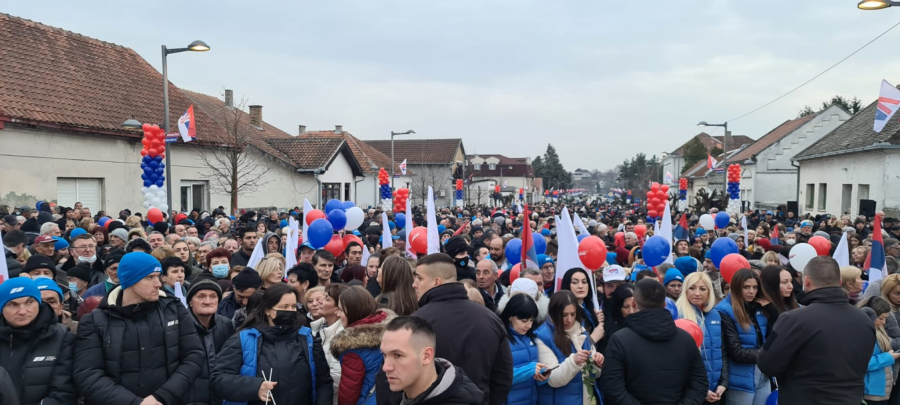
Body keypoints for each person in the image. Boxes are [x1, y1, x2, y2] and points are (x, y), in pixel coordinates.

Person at [74, 251, 204, 405]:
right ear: (130, 280)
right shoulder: (95, 320)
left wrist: (162, 396)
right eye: (149, 278)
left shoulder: (174, 309)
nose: (158, 283)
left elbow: (194, 356)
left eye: (158, 276)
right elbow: (88, 374)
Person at [758, 256, 875, 405]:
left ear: (806, 282)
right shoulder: (864, 320)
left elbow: (767, 363)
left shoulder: (793, 320)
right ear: (839, 283)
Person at [412, 253, 513, 405]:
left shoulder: (416, 323)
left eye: (419, 278)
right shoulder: (490, 319)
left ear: (436, 282)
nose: (414, 284)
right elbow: (503, 376)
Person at [211, 284, 333, 405]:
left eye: (293, 306)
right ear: (267, 310)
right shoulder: (244, 339)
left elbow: (323, 382)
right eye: (284, 307)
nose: (290, 311)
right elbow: (219, 379)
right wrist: (255, 387)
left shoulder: (308, 339)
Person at [601, 278, 708, 404]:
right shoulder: (686, 339)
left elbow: (612, 388)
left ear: (634, 303)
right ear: (664, 304)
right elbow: (699, 384)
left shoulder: (619, 339)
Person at [0, 277, 76, 404]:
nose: (23, 311)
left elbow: (65, 392)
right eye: (13, 304)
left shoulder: (62, 338)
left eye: (30, 302)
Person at [375, 316, 484, 405]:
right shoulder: (392, 392)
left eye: (398, 355)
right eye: (384, 355)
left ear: (426, 356)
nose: (386, 367)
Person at [533, 290, 603, 405]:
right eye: (564, 315)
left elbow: (593, 374)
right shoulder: (542, 336)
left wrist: (597, 363)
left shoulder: (582, 331)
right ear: (554, 313)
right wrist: (573, 362)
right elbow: (552, 379)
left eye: (573, 314)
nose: (569, 320)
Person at [331, 286, 395, 405]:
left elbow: (348, 394)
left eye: (340, 309)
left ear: (353, 311)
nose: (337, 313)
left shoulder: (352, 349)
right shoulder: (389, 331)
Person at [676, 272, 729, 404]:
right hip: (690, 393)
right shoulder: (678, 315)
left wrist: (723, 382)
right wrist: (700, 390)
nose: (697, 293)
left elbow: (721, 350)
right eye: (692, 288)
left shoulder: (716, 315)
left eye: (703, 289)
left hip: (717, 390)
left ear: (709, 291)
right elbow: (678, 361)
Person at [184, 273, 235, 405]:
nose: (208, 301)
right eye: (201, 296)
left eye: (213, 296)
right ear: (190, 301)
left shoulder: (227, 325)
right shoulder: (179, 327)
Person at [498, 293, 548, 405]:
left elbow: (534, 373)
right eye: (524, 321)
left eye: (531, 320)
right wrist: (529, 370)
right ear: (510, 316)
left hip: (531, 399)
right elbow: (500, 376)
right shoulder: (500, 340)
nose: (529, 325)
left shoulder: (532, 338)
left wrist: (542, 376)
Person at [310, 283, 349, 402]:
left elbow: (336, 378)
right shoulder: (317, 328)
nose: (319, 302)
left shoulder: (342, 336)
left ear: (338, 308)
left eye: (326, 299)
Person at [560, 268, 602, 342]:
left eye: (584, 282)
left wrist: (600, 321)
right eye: (575, 282)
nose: (580, 286)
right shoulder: (562, 310)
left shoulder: (591, 306)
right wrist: (593, 338)